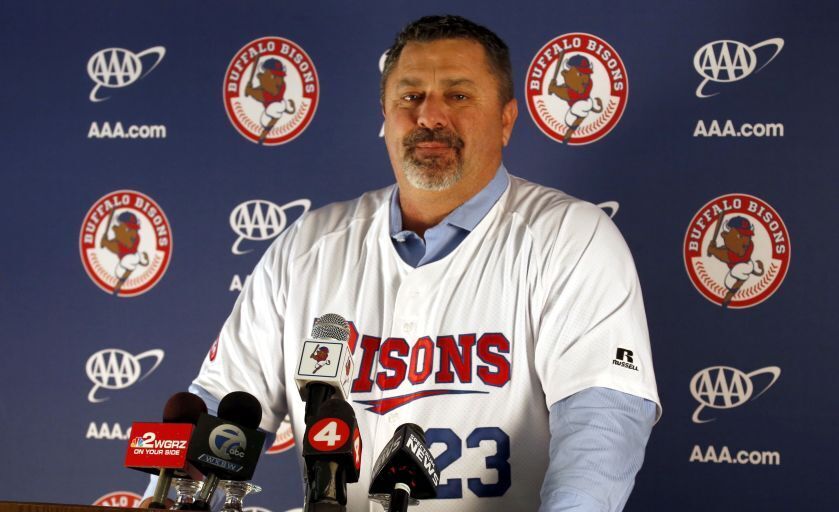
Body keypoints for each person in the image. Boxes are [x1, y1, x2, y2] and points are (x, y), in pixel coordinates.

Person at [144, 14, 660, 511]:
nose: (430, 116)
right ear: (385, 116)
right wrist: (169, 492)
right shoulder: (307, 248)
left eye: (458, 95)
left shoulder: (570, 237)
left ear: (506, 119)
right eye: (410, 96)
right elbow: (223, 412)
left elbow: (601, 425)